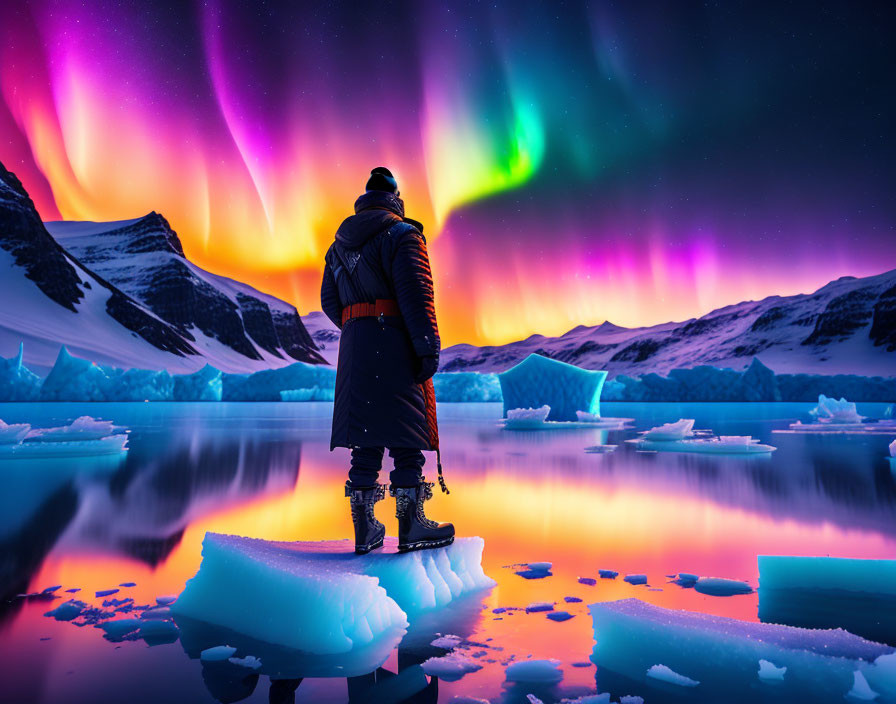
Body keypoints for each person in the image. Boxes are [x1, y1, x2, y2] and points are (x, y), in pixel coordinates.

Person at [320, 167, 454, 554]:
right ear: (395, 200)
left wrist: (357, 324)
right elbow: (416, 294)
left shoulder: (337, 246)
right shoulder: (402, 234)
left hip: (355, 347)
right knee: (405, 430)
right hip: (394, 340)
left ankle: (365, 530)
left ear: (365, 200)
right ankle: (411, 525)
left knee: (365, 434)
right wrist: (426, 346)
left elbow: (330, 301)